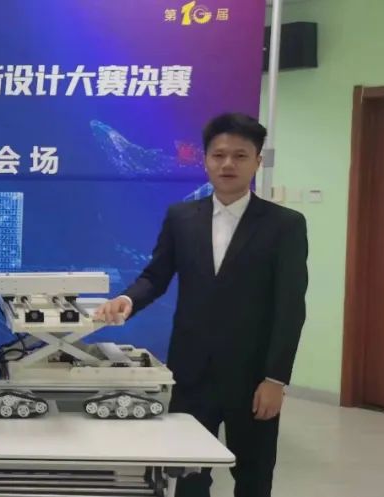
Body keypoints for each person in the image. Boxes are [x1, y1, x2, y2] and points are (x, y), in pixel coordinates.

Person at [95, 113, 307, 497]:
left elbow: (290, 307)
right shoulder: (181, 218)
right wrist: (127, 299)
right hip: (192, 373)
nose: (228, 164)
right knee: (189, 476)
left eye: (240, 156)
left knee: (254, 475)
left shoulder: (284, 225)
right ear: (205, 160)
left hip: (253, 377)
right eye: (219, 155)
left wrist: (275, 379)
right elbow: (155, 276)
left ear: (257, 162)